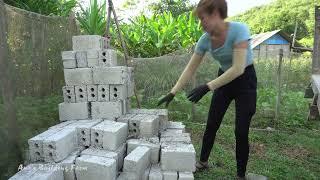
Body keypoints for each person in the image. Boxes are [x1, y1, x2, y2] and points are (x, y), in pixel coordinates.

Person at [157, 0, 257, 179]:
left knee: (241, 131)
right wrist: (173, 91)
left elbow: (238, 68)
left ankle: (241, 175)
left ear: (216, 14)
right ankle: (203, 162)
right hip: (224, 79)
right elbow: (190, 68)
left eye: (203, 18)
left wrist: (207, 86)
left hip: (245, 81)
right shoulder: (205, 40)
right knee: (212, 124)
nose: (200, 22)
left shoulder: (239, 30)